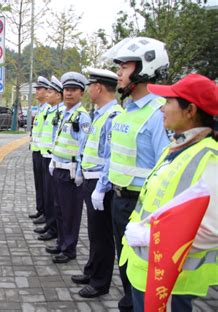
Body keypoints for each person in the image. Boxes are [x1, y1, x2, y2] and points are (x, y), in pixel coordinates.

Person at [121, 73, 217, 311]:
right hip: (147, 272)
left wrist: (151, 238)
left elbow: (211, 231)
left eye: (168, 102)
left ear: (190, 110)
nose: (162, 109)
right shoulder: (177, 147)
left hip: (171, 282)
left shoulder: (209, 158)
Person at [102, 36, 171, 311]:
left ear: (145, 69)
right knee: (126, 266)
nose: (118, 73)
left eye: (124, 66)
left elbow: (167, 170)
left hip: (142, 208)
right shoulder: (126, 110)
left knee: (143, 274)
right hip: (119, 200)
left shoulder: (159, 113)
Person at [71, 68, 124, 298]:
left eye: (90, 85)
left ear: (99, 87)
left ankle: (100, 282)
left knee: (102, 235)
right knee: (94, 232)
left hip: (102, 184)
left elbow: (111, 156)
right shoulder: (100, 114)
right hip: (91, 180)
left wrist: (101, 187)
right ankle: (92, 270)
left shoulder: (113, 116)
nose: (88, 89)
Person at [46, 72, 91, 263]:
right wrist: (52, 160)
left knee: (70, 213)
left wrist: (80, 172)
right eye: (66, 90)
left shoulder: (82, 117)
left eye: (73, 90)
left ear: (81, 93)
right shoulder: (64, 114)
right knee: (59, 210)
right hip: (58, 168)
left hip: (72, 173)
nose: (68, 94)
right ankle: (61, 243)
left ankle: (69, 248)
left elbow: (84, 146)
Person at [33, 76, 63, 237]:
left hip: (51, 156)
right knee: (43, 187)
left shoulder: (58, 111)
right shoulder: (45, 109)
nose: (37, 92)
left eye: (41, 89)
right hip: (41, 152)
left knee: (51, 193)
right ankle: (45, 216)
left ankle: (51, 223)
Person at [28, 76, 51, 222]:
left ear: (47, 91)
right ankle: (40, 209)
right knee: (39, 183)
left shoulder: (49, 109)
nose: (36, 91)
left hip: (44, 153)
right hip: (37, 151)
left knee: (45, 185)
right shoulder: (41, 109)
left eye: (39, 89)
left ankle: (45, 213)